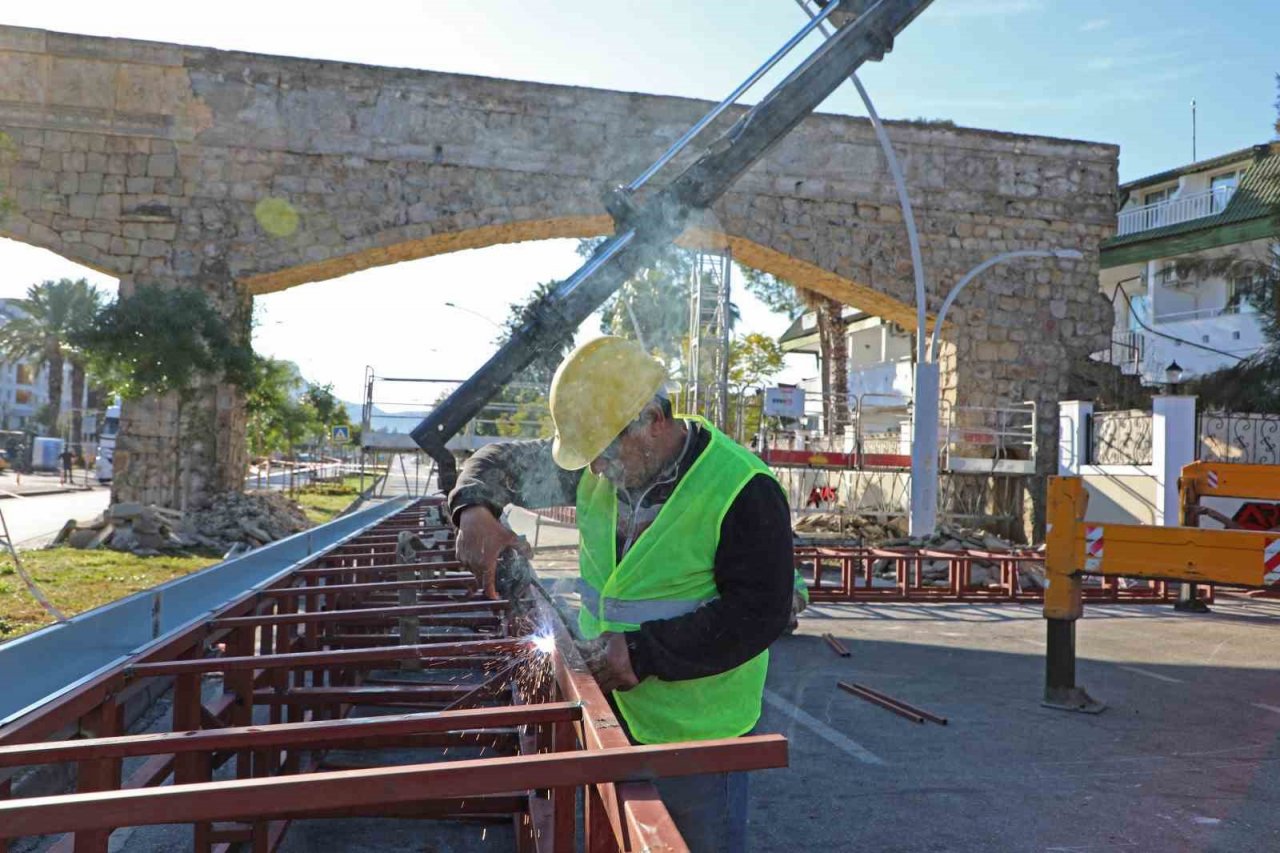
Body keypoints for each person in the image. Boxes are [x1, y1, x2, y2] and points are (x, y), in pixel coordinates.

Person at [448, 336, 796, 853]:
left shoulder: (741, 486)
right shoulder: (603, 469)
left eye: (605, 450)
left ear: (654, 418)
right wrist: (473, 508)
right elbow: (495, 460)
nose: (594, 468)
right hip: (610, 711)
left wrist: (642, 652)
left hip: (698, 738)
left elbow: (760, 612)